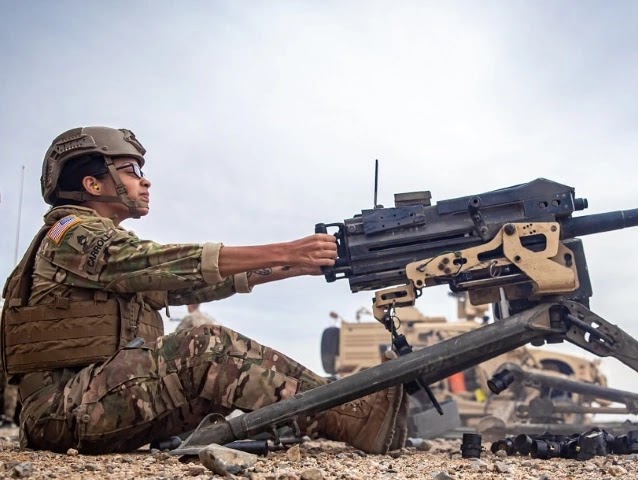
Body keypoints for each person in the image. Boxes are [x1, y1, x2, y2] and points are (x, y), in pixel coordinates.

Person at [0, 126, 408, 454]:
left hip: (92, 402)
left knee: (232, 369)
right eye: (130, 170)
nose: (144, 181)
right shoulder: (70, 233)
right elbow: (156, 262)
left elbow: (191, 283)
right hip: (61, 412)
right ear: (92, 184)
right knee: (207, 346)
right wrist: (287, 249)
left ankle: (354, 412)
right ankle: (351, 417)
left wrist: (292, 266)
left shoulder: (104, 252)